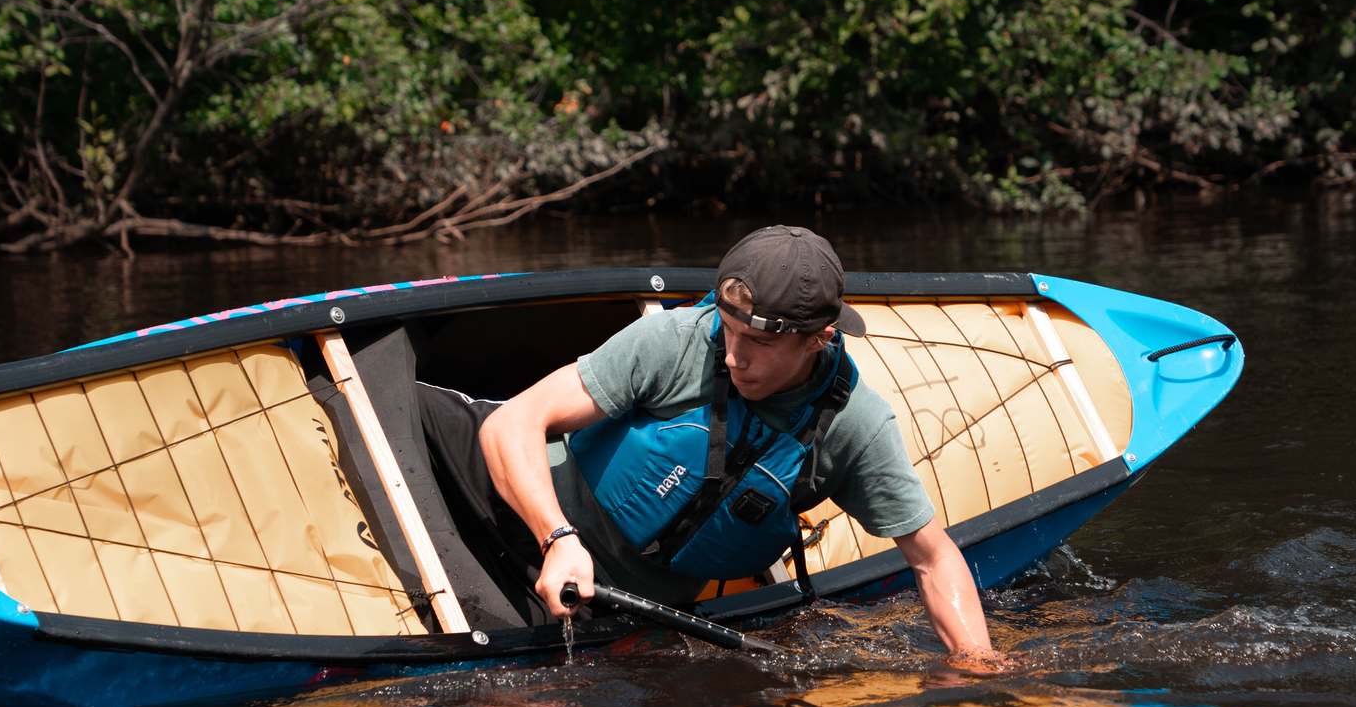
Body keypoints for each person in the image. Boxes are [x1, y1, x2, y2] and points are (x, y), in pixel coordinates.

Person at [415, 225, 1000, 665]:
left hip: (606, 602)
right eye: (730, 329)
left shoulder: (855, 427)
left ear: (819, 339)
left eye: (758, 343)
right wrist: (558, 536)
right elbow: (512, 423)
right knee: (409, 406)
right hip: (516, 499)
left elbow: (932, 557)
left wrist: (976, 666)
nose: (732, 356)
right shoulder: (676, 340)